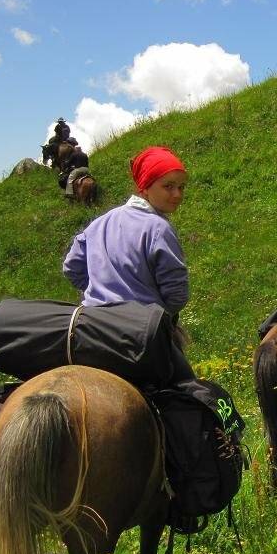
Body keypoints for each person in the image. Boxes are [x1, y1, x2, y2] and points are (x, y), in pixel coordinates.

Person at [62, 145, 193, 379]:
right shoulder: (158, 228)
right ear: (144, 187)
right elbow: (177, 294)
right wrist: (157, 315)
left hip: (92, 328)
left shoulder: (100, 222)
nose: (177, 195)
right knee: (191, 396)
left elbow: (71, 267)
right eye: (168, 186)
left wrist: (101, 290)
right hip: (139, 332)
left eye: (181, 187)